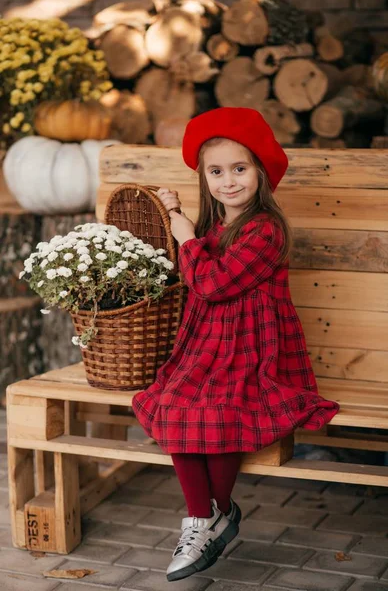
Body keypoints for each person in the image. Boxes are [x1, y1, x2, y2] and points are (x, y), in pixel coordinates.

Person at [131, 107, 339, 582]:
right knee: (175, 401)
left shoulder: (266, 229)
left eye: (239, 169)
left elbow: (212, 284)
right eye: (216, 171)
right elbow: (201, 279)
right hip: (208, 346)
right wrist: (179, 216)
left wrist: (183, 234)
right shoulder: (213, 227)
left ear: (260, 172)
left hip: (254, 350)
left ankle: (212, 514)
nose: (228, 181)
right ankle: (206, 516)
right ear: (205, 178)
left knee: (222, 409)